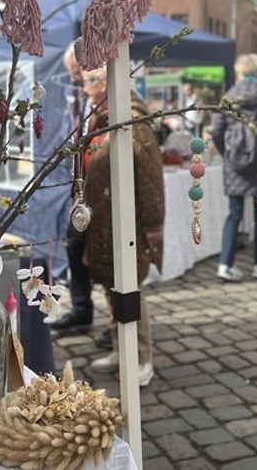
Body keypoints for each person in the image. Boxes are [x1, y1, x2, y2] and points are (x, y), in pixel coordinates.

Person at [80, 66, 165, 387]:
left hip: (127, 220)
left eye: (90, 81)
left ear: (108, 82)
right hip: (103, 218)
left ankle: (142, 356)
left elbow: (151, 180)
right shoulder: (100, 116)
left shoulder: (132, 121)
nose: (84, 87)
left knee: (130, 287)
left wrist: (153, 226)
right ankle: (120, 347)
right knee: (110, 285)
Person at [211, 54, 257, 282]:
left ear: (241, 71)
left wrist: (226, 153)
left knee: (233, 215)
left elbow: (217, 132)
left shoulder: (230, 95)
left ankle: (225, 265)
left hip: (235, 160)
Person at [50, 47, 97, 336]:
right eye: (72, 73)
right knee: (74, 246)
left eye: (78, 72)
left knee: (101, 255)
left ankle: (116, 323)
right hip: (81, 191)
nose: (75, 78)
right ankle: (81, 310)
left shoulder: (102, 98)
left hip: (98, 192)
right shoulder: (81, 98)